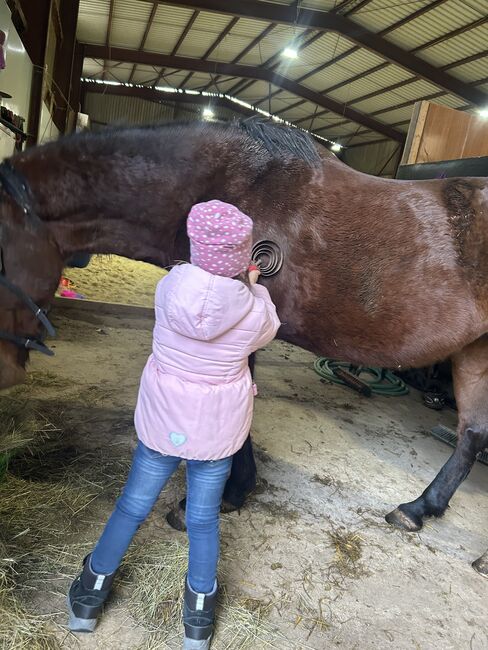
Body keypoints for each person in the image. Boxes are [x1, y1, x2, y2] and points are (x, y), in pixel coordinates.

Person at [67, 199, 281, 649]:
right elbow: (267, 326)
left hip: (164, 420)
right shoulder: (255, 311)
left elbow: (199, 301)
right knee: (203, 520)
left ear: (195, 246)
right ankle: (198, 619)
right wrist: (256, 287)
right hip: (217, 431)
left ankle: (90, 596)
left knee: (132, 505)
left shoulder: (168, 287)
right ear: (244, 258)